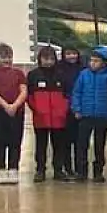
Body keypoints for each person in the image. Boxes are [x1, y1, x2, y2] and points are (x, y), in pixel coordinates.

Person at [70, 50, 107, 183]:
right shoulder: (83, 74)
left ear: (103, 62)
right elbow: (76, 92)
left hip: (103, 115)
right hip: (85, 114)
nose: (93, 63)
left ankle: (98, 172)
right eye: (91, 60)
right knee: (82, 145)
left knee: (99, 145)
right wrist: (77, 109)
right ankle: (81, 172)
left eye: (96, 61)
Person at [0, 43, 27, 184]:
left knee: (15, 141)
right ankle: (1, 169)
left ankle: (13, 168)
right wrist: (5, 105)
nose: (7, 60)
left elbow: (24, 91)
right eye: (3, 57)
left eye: (9, 56)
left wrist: (14, 105)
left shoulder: (19, 73)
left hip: (17, 112)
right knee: (0, 141)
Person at [27, 46, 70, 183]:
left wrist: (63, 110)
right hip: (41, 117)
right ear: (40, 59)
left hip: (59, 117)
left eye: (51, 59)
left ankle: (58, 170)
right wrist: (37, 109)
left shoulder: (62, 74)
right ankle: (40, 170)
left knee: (59, 145)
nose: (48, 62)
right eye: (45, 58)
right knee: (41, 145)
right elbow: (29, 95)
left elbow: (67, 95)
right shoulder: (33, 75)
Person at [56, 46, 85, 179]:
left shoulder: (83, 69)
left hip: (80, 109)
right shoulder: (59, 69)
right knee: (65, 142)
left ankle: (80, 169)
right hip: (64, 109)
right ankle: (67, 168)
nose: (71, 56)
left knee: (80, 141)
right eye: (68, 53)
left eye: (74, 53)